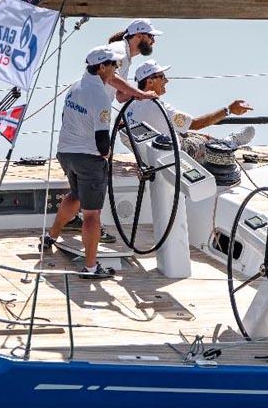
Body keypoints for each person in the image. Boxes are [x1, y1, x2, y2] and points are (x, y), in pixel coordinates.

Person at [62, 19, 163, 239]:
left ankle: (74, 221)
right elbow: (112, 79)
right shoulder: (119, 51)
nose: (153, 41)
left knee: (81, 186)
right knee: (92, 177)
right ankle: (89, 225)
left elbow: (119, 95)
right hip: (93, 118)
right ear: (138, 36)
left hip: (93, 117)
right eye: (151, 36)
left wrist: (143, 89)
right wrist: (142, 94)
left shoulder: (126, 57)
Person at [40, 45, 124, 279]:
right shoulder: (100, 95)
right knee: (91, 215)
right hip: (88, 158)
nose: (116, 70)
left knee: (75, 195)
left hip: (66, 153)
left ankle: (51, 237)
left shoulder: (76, 86)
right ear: (102, 67)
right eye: (114, 66)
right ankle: (90, 267)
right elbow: (101, 140)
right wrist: (105, 156)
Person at [125, 60, 255, 162]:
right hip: (175, 154)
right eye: (162, 77)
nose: (167, 80)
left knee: (190, 134)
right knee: (207, 143)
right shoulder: (159, 108)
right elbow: (196, 124)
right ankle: (231, 142)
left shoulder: (129, 107)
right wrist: (229, 109)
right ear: (150, 81)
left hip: (151, 153)